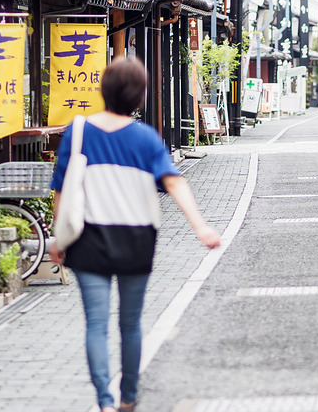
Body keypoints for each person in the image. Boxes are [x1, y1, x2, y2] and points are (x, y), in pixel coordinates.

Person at [49, 57, 221, 412]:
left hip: (87, 238)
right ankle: (128, 397)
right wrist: (200, 226)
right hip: (136, 239)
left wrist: (58, 238)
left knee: (96, 323)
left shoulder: (78, 131)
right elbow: (174, 181)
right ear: (139, 97)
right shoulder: (146, 138)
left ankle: (104, 401)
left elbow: (62, 191)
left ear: (103, 91)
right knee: (131, 322)